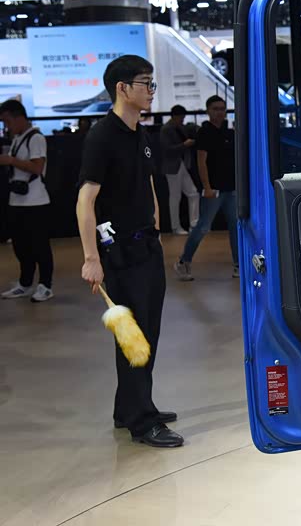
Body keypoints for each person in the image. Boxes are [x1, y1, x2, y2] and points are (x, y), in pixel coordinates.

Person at [76, 55, 183, 447]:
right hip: (120, 254)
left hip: (146, 247)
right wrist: (91, 258)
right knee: (133, 336)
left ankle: (129, 408)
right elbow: (85, 200)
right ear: (122, 88)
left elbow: (148, 185)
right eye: (145, 83)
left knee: (147, 331)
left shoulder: (140, 133)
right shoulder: (102, 137)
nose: (151, 91)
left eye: (152, 83)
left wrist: (156, 227)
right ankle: (142, 421)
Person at [174, 95, 238, 281]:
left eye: (222, 109)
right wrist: (207, 187)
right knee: (203, 226)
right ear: (208, 111)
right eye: (215, 109)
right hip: (214, 189)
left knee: (235, 226)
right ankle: (184, 261)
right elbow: (201, 162)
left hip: (231, 188)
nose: (219, 112)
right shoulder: (204, 132)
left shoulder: (229, 132)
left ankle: (238, 264)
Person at [0, 100, 55, 302]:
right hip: (17, 201)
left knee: (40, 246)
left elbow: (37, 168)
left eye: (7, 121)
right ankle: (25, 283)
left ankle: (45, 286)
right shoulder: (17, 139)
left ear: (19, 117)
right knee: (21, 247)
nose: (6, 127)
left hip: (36, 202)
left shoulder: (36, 138)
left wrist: (11, 161)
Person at [160, 104, 199, 235]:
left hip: (181, 164)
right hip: (172, 166)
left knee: (193, 193)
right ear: (174, 117)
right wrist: (184, 145)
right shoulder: (166, 129)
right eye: (181, 118)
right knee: (175, 197)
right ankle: (175, 226)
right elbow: (167, 149)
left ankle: (194, 224)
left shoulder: (179, 127)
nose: (182, 120)